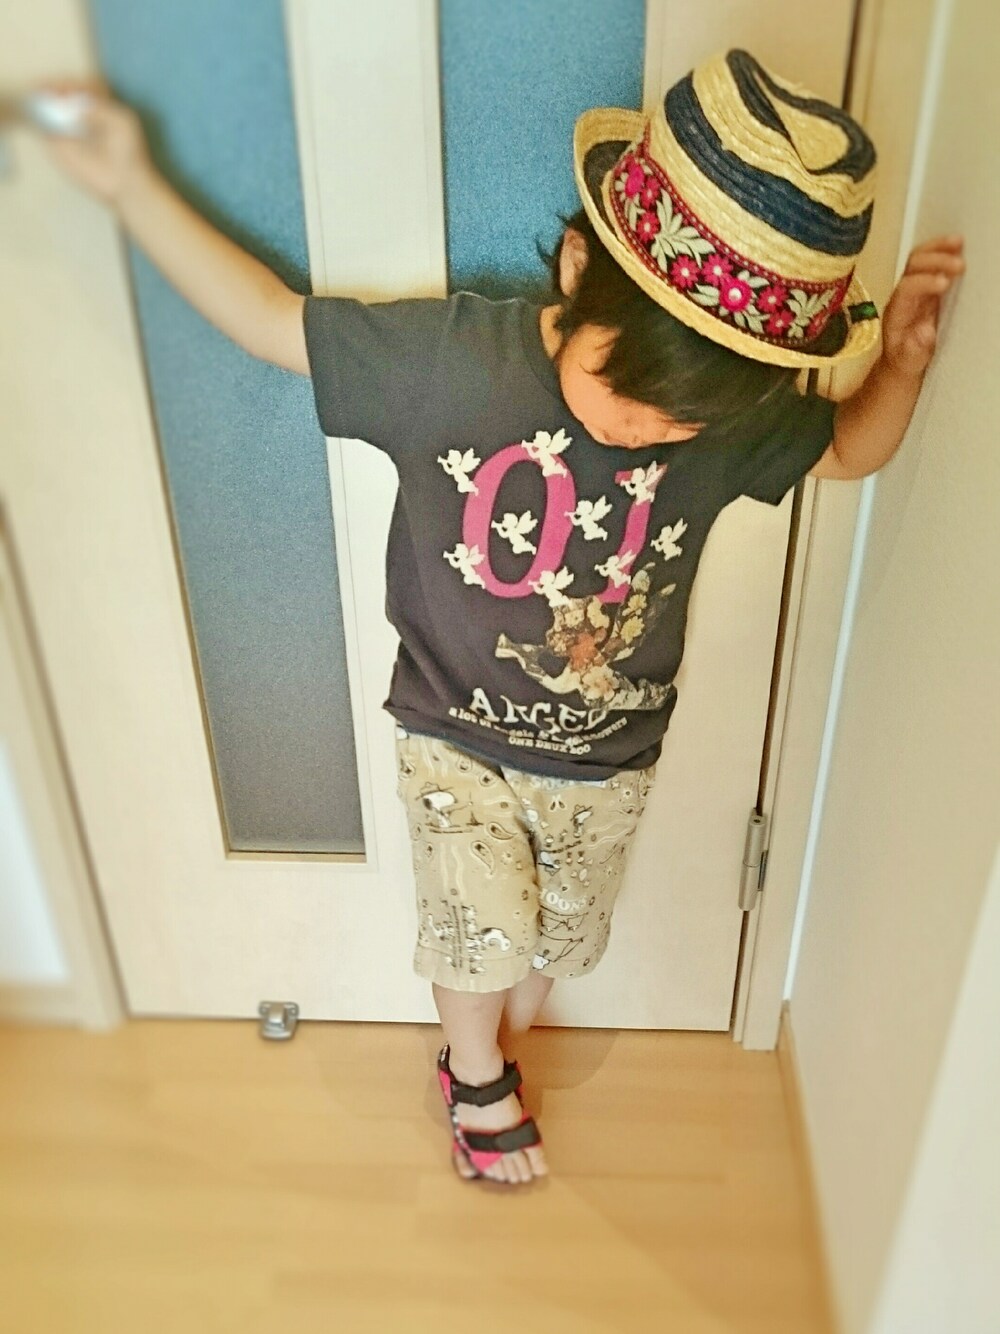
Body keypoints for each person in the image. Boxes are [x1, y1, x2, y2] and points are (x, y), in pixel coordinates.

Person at [38, 49, 963, 1188]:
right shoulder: (449, 363)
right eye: (629, 394)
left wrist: (900, 366)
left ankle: (494, 1039)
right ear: (577, 270)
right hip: (454, 735)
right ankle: (473, 1075)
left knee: (558, 943)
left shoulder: (725, 416)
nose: (644, 432)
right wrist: (131, 184)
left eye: (677, 426)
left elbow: (849, 453)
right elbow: (272, 321)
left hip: (609, 756)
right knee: (476, 942)